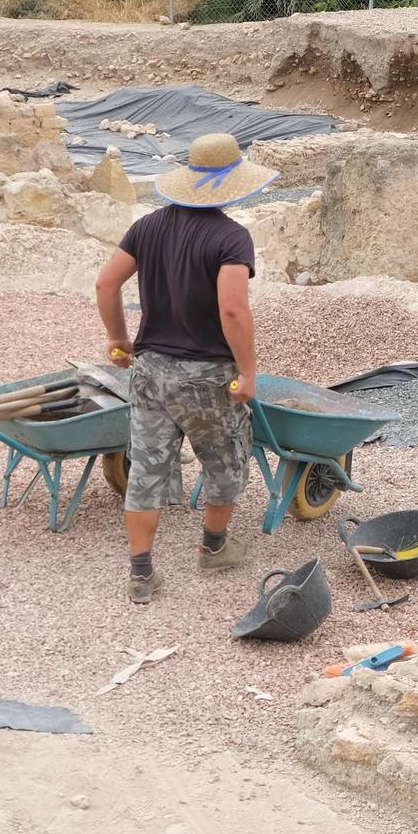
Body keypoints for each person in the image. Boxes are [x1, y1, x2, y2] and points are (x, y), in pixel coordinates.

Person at [93, 132, 272, 605]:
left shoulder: (147, 228)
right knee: (225, 459)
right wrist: (249, 372)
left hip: (150, 372)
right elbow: (232, 309)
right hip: (207, 375)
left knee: (147, 468)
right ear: (233, 183)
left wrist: (116, 338)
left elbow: (106, 283)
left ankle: (141, 573)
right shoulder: (232, 238)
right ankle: (213, 546)